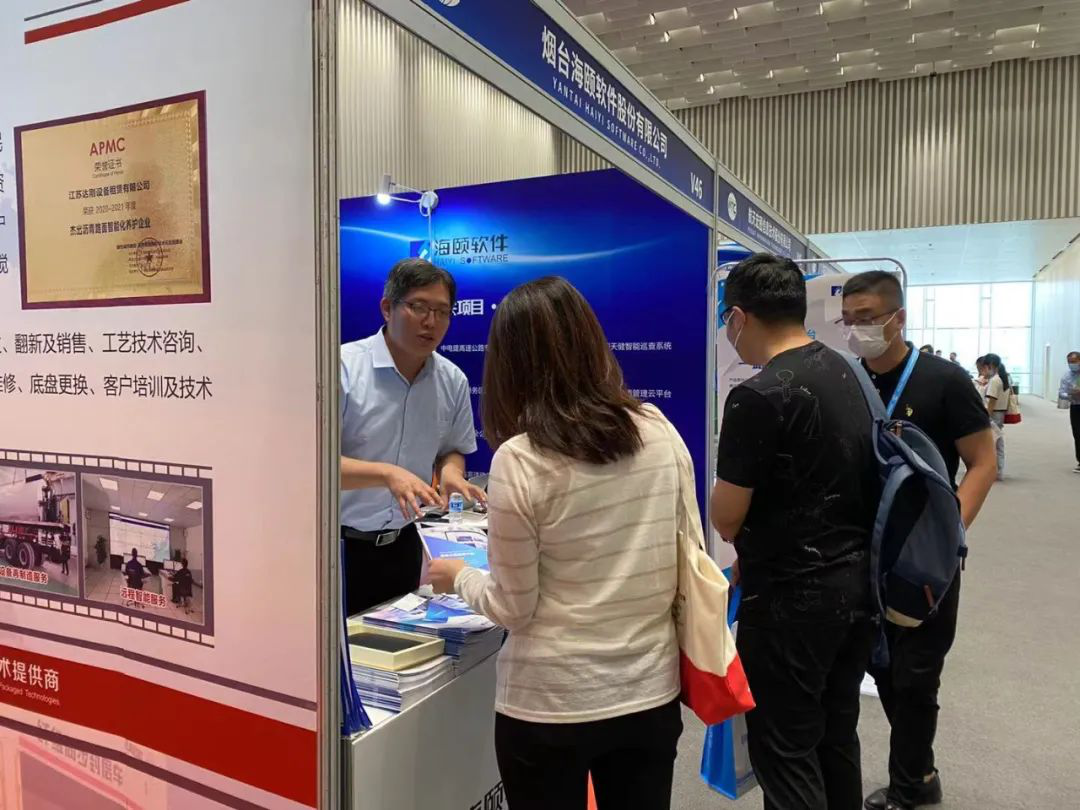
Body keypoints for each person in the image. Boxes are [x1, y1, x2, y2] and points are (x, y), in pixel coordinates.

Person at [426, 277, 684, 810]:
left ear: (510, 364)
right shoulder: (658, 430)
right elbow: (687, 554)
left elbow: (513, 608)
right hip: (649, 691)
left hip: (550, 703)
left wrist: (460, 577)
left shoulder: (521, 459)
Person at [709, 253, 878, 810]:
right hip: (857, 588)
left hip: (790, 602)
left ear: (738, 316)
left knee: (784, 749)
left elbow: (726, 517)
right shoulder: (847, 371)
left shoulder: (758, 395)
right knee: (835, 734)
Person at [841, 271, 997, 810]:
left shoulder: (944, 380)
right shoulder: (845, 379)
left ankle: (912, 785)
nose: (856, 329)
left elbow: (982, 462)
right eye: (848, 319)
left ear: (898, 318)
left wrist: (951, 534)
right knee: (879, 667)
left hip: (924, 558)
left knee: (916, 674)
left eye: (866, 318)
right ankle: (921, 771)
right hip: (862, 555)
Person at [339, 258, 484, 617]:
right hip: (335, 547)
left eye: (442, 312)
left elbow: (452, 448)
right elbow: (309, 464)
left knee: (396, 646)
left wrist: (451, 473)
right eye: (419, 307)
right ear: (387, 308)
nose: (431, 322)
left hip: (403, 546)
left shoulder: (452, 380)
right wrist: (386, 474)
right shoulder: (341, 368)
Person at [982, 353, 1011, 480]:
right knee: (998, 443)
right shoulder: (1005, 378)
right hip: (1001, 413)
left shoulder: (995, 380)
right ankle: (998, 470)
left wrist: (986, 416)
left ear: (990, 365)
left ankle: (994, 471)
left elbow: (991, 401)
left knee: (991, 444)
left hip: (993, 413)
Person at [1058, 351, 1080, 472]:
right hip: (1076, 407)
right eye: (1069, 362)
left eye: (1074, 362)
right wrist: (1071, 394)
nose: (1072, 364)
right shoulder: (1067, 376)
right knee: (1077, 434)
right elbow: (1061, 393)